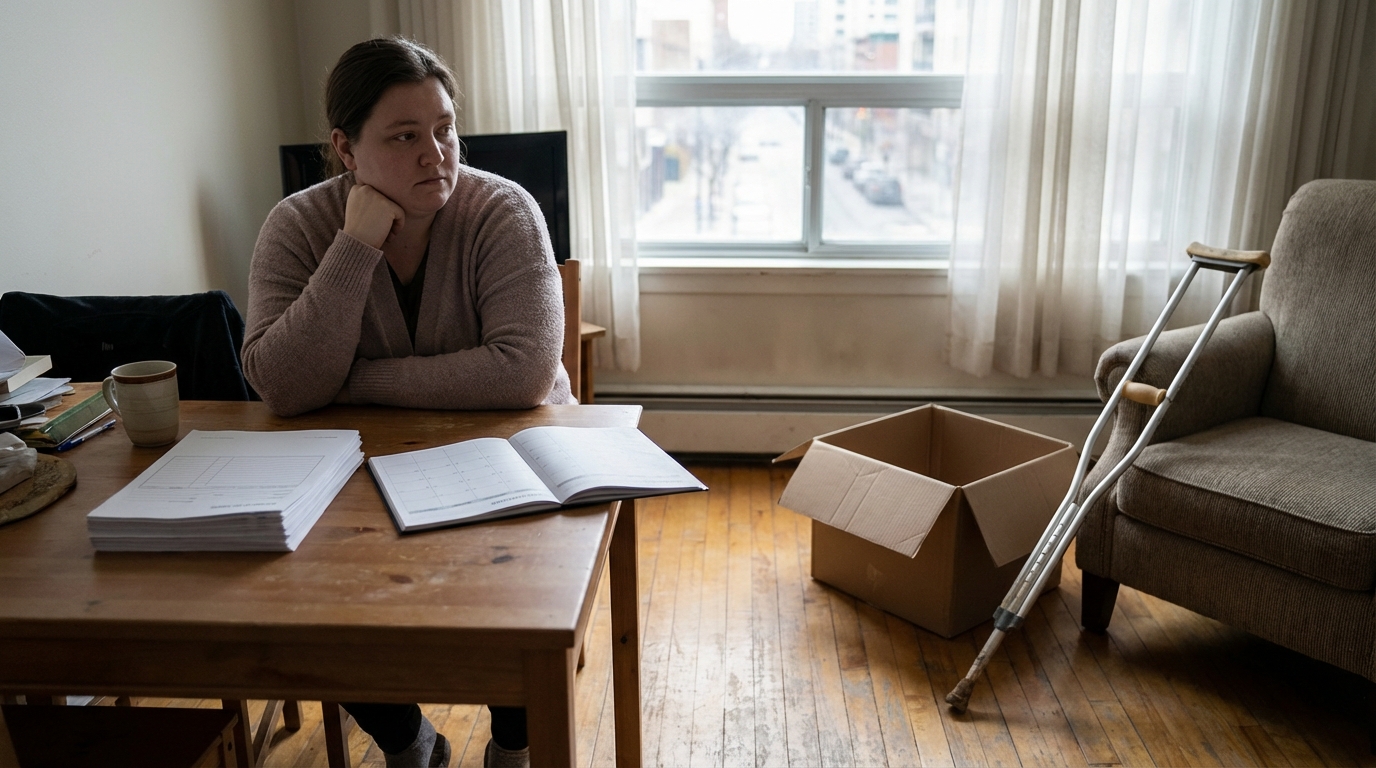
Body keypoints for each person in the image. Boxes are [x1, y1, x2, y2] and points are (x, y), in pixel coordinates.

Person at [242, 37, 572, 768]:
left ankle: (513, 746)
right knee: (314, 594)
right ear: (345, 148)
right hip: (360, 468)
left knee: (520, 583)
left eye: (445, 129)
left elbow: (520, 375)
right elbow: (280, 383)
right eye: (404, 136)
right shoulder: (298, 226)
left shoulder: (503, 212)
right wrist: (355, 246)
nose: (436, 154)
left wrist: (354, 380)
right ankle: (408, 739)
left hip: (511, 456)